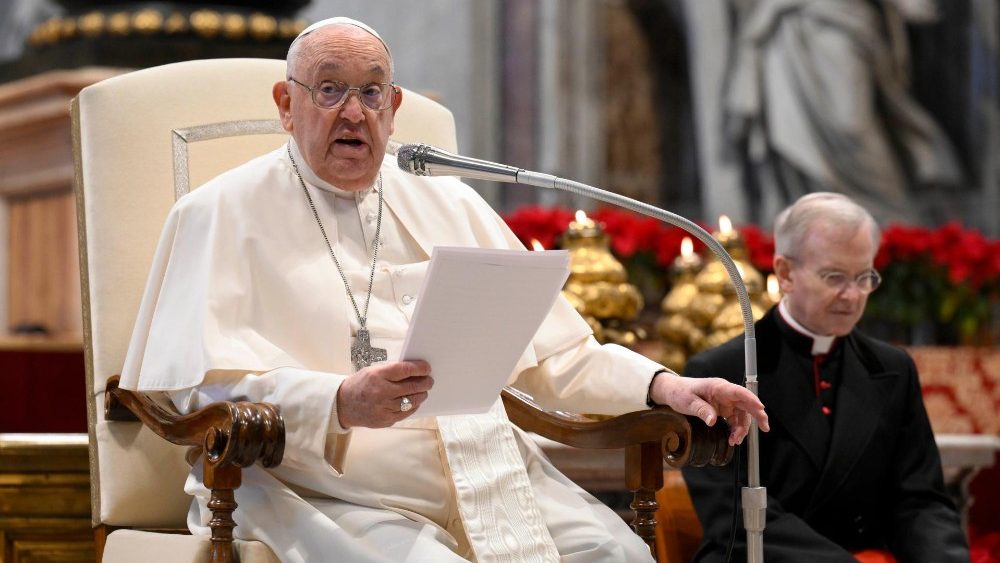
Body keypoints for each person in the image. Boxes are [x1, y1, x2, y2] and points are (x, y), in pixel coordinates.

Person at [119, 17, 769, 563]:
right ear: (286, 106)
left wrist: (666, 386)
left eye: (371, 93)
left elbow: (555, 356)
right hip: (318, 488)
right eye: (329, 90)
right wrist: (338, 400)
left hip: (484, 470)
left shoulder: (449, 202)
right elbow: (195, 391)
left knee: (616, 553)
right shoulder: (220, 213)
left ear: (394, 108)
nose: (353, 112)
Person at [682, 192, 970, 562]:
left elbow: (919, 500)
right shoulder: (718, 373)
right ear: (785, 273)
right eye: (834, 277)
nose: (852, 295)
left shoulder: (892, 368)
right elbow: (732, 517)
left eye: (864, 277)